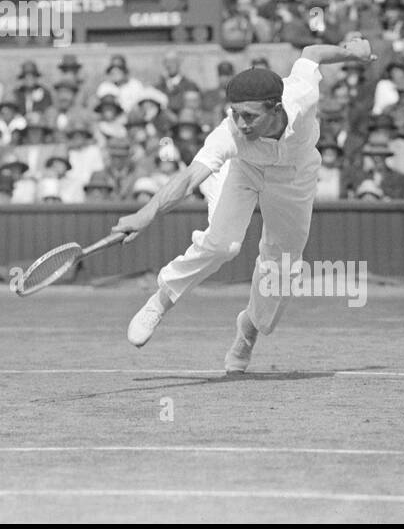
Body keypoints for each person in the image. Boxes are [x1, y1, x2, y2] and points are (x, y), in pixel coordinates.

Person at [113, 38, 376, 372]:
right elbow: (188, 177)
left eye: (250, 116)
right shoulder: (230, 133)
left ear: (276, 110)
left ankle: (247, 333)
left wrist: (352, 53)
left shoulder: (301, 93)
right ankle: (161, 300)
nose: (240, 123)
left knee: (282, 268)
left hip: (294, 177)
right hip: (243, 171)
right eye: (235, 114)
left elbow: (312, 53)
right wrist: (144, 214)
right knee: (223, 245)